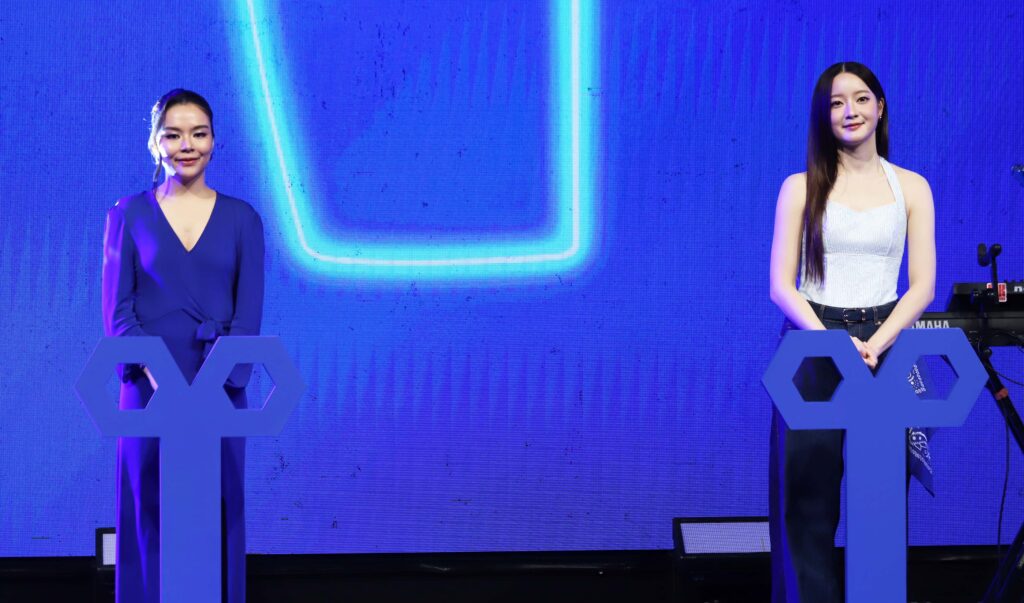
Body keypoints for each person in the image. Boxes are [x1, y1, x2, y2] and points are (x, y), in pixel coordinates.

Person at [767, 62, 936, 602]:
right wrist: (832, 345)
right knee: (806, 500)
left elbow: (923, 286)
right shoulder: (799, 187)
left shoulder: (912, 186)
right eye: (837, 103)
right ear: (824, 115)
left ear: (880, 108)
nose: (850, 112)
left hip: (884, 346)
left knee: (881, 498)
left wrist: (876, 344)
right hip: (812, 342)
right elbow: (781, 286)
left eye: (861, 99)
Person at [101, 89, 265, 603]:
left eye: (199, 133)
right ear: (155, 143)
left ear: (215, 141)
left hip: (220, 387)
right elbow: (118, 315)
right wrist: (163, 381)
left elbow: (248, 316)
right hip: (149, 392)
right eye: (173, 135)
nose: (186, 145)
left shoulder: (243, 219)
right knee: (149, 507)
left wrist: (213, 382)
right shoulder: (127, 215)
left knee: (219, 506)